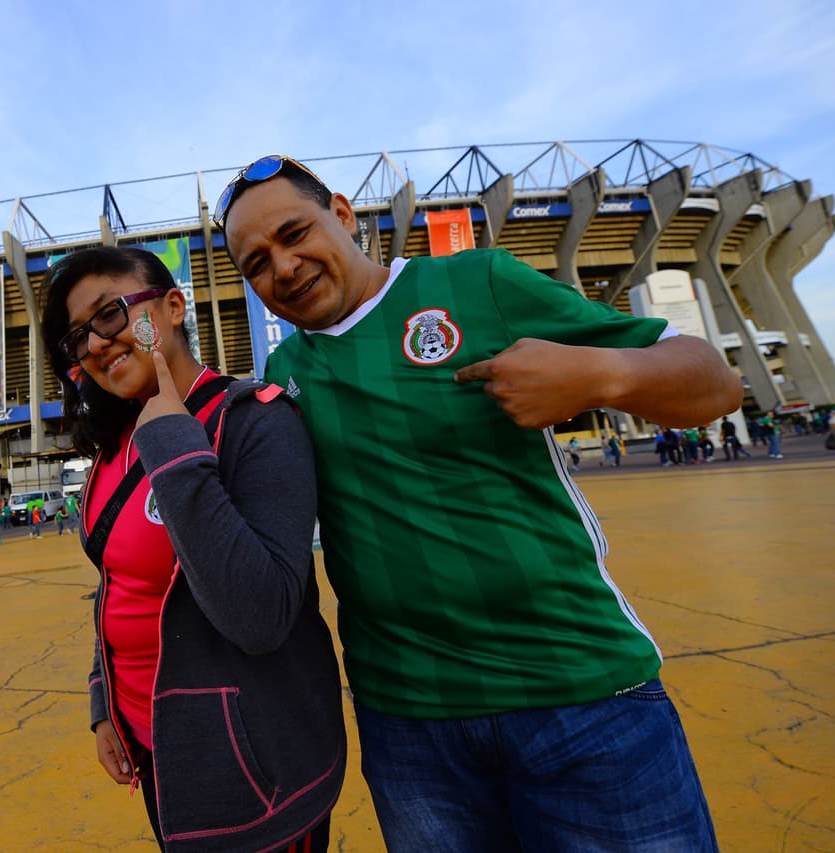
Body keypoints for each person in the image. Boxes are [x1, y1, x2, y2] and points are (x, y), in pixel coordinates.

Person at [218, 154, 741, 852]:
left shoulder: (478, 282)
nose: (281, 267)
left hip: (580, 698)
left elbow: (714, 383)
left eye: (294, 233)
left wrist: (596, 372)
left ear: (342, 215)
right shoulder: (285, 373)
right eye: (256, 263)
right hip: (411, 727)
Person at [40, 246, 345, 852]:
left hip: (251, 765)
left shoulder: (254, 421)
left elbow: (261, 614)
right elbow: (117, 580)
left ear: (173, 307)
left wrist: (174, 447)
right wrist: (105, 702)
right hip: (158, 750)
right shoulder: (113, 449)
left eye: (110, 315)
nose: (97, 343)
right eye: (79, 337)